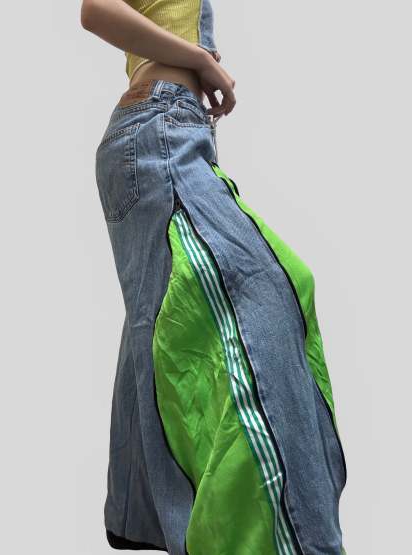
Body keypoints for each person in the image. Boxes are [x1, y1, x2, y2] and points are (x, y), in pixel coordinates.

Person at [80, 1, 347, 554]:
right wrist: (201, 60)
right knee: (271, 288)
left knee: (161, 315)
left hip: (165, 131)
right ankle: (299, 539)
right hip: (158, 130)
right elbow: (95, 10)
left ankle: (138, 509)